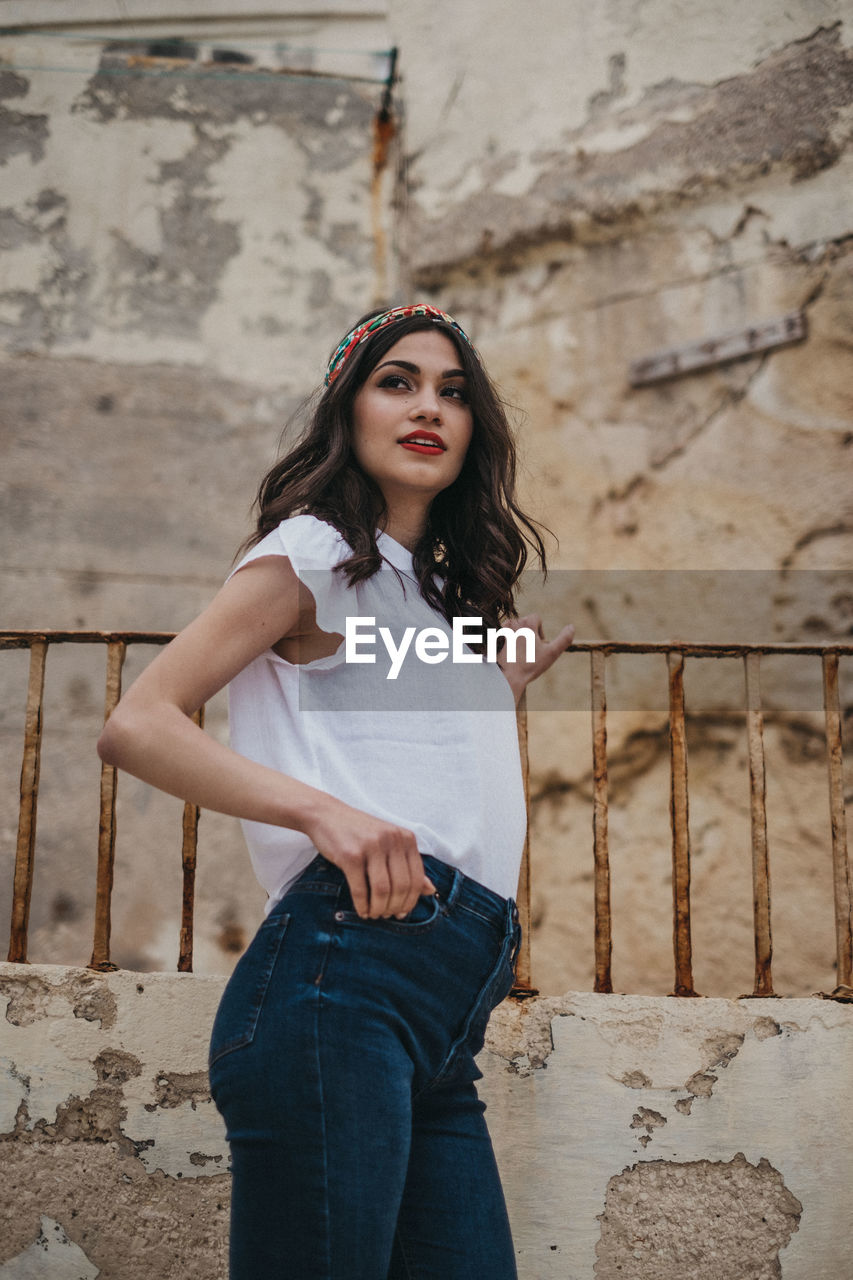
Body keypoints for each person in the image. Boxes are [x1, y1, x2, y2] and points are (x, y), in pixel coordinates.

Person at [97, 302, 574, 1280]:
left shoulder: (422, 597)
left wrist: (496, 679)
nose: (426, 405)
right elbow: (139, 722)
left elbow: (402, 737)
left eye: (452, 391)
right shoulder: (312, 549)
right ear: (346, 412)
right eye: (395, 382)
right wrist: (323, 812)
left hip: (446, 1020)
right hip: (342, 984)